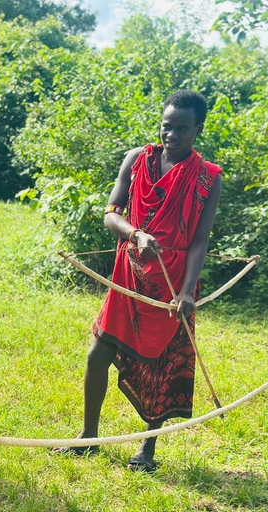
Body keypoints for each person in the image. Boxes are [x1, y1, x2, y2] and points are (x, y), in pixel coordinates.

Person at [59, 90, 222, 473]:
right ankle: (89, 437)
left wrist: (187, 291)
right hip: (128, 276)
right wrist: (135, 234)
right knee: (97, 354)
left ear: (197, 129)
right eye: (167, 126)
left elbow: (200, 241)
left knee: (162, 368)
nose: (172, 135)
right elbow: (111, 214)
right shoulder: (136, 160)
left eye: (182, 128)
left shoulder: (207, 177)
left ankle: (146, 450)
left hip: (173, 283)